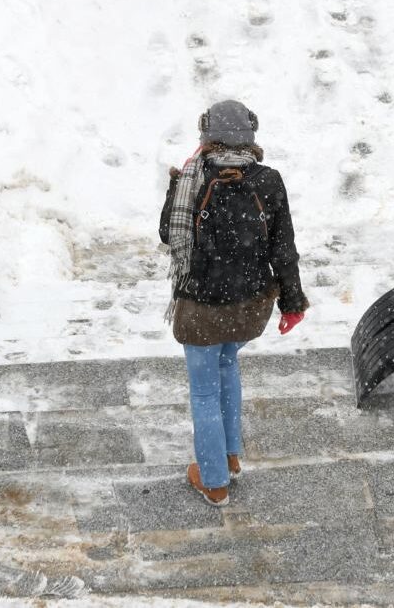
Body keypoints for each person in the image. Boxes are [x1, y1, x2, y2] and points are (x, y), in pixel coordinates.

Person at [159, 99, 308, 505]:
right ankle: (229, 456)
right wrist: (292, 302)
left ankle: (214, 481)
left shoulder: (194, 179)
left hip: (201, 309)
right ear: (251, 135)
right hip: (248, 308)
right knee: (229, 367)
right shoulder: (269, 180)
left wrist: (177, 183)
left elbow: (168, 235)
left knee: (204, 390)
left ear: (206, 136)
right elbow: (284, 249)